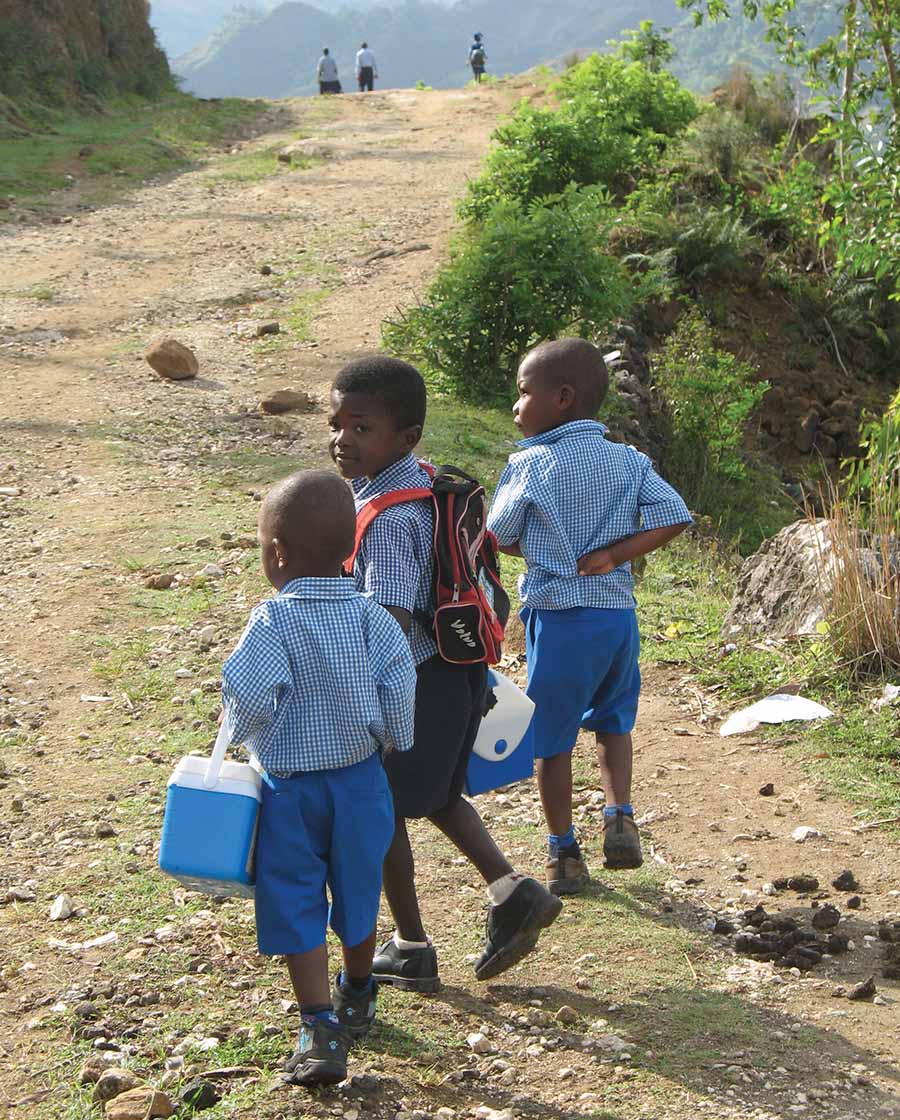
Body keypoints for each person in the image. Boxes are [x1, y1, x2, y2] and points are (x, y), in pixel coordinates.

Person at [329, 355, 562, 992]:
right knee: (434, 797)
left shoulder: (391, 515)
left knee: (381, 812)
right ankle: (512, 892)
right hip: (458, 672)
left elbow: (392, 618)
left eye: (361, 429)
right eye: (337, 425)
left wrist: (361, 695)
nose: (343, 441)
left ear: (405, 438)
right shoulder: (428, 483)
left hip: (413, 680)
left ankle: (410, 945)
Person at [221, 470, 416, 1086]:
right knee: (359, 888)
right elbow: (400, 692)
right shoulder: (374, 619)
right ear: (348, 549)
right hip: (363, 783)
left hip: (291, 791)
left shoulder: (272, 621)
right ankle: (359, 989)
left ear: (275, 553)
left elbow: (247, 695)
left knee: (294, 895)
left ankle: (319, 1027)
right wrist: (390, 742)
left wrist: (240, 741)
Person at [487, 339, 692, 897]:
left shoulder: (529, 465)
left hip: (560, 619)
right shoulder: (629, 460)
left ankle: (563, 854)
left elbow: (499, 537)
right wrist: (615, 555)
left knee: (550, 741)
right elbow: (675, 515)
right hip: (617, 619)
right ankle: (619, 815)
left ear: (562, 398)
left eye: (524, 393)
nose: (516, 406)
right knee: (613, 721)